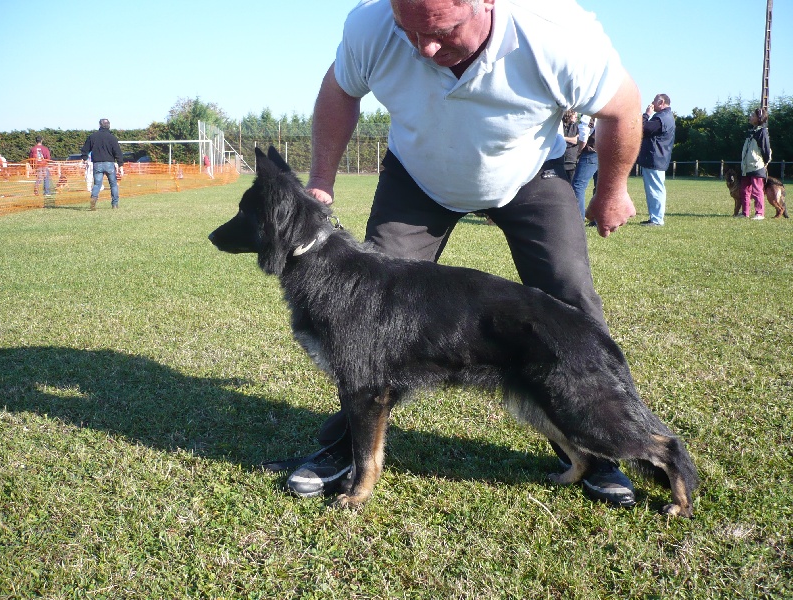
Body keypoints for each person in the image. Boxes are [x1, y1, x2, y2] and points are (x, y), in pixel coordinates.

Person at [283, 0, 642, 508]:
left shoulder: (558, 32)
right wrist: (320, 181)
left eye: (445, 30)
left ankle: (597, 451)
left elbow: (623, 107)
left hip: (527, 177)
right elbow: (338, 91)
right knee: (365, 313)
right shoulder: (371, 25)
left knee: (569, 298)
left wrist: (611, 191)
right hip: (419, 179)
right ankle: (347, 447)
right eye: (412, 33)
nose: (427, 49)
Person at [637, 94, 675, 226]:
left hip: (655, 158)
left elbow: (642, 128)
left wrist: (646, 114)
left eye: (654, 100)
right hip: (658, 158)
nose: (652, 102)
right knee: (656, 188)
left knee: (655, 189)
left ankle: (657, 219)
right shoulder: (666, 117)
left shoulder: (661, 118)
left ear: (661, 102)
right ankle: (655, 217)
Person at [81, 118, 124, 210]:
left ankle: (93, 198)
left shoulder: (92, 137)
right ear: (109, 126)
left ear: (99, 125)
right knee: (113, 184)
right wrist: (120, 165)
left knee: (97, 184)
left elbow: (85, 149)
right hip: (109, 164)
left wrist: (84, 158)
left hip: (97, 164)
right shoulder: (112, 138)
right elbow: (117, 152)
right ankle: (115, 204)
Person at [738, 107, 772, 220]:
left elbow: (766, 150)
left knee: (757, 190)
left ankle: (759, 213)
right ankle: (745, 213)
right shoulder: (751, 132)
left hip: (757, 166)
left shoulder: (762, 132)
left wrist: (765, 162)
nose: (750, 117)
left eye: (753, 115)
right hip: (746, 167)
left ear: (759, 118)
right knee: (744, 190)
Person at [571, 116, 598, 219]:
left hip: (590, 152)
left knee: (578, 186)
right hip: (604, 153)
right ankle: (597, 219)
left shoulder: (588, 115)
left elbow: (583, 136)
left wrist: (579, 151)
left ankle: (579, 218)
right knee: (599, 187)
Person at [29, 136, 53, 202]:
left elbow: (30, 158)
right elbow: (48, 157)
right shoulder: (45, 149)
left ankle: (36, 189)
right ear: (41, 140)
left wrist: (32, 166)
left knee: (39, 178)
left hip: (37, 165)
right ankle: (47, 192)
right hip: (44, 164)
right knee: (46, 177)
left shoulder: (33, 149)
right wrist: (46, 162)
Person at [562, 111, 579, 182]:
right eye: (575, 115)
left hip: (572, 161)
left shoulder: (577, 126)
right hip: (560, 160)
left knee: (572, 185)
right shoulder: (559, 125)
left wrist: (563, 138)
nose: (576, 117)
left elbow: (576, 140)